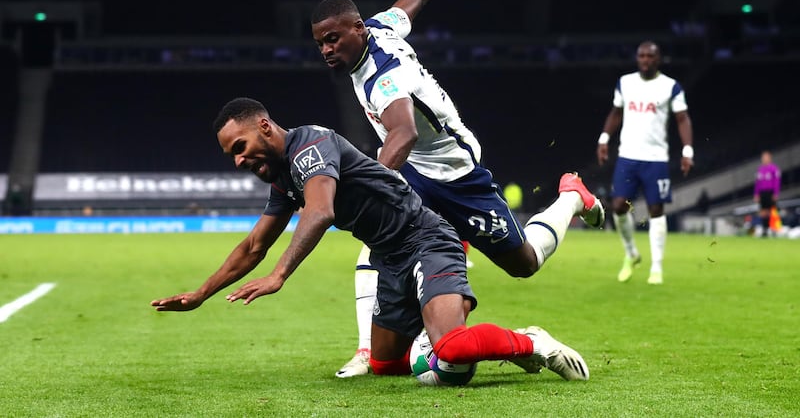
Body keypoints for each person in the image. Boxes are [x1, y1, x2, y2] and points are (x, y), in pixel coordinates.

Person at [309, 0, 605, 377]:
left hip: (454, 172)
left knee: (523, 263)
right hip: (416, 171)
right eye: (320, 43)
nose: (326, 50)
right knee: (377, 240)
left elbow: (402, 132)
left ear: (356, 28)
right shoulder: (381, 28)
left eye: (333, 38)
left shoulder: (385, 77)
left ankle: (571, 197)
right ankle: (372, 350)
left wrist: (370, 183)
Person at [150, 97, 590, 383]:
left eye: (240, 147)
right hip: (391, 258)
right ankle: (437, 341)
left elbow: (320, 211)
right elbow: (253, 246)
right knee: (385, 366)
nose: (239, 160)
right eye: (233, 156)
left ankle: (533, 343)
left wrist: (279, 275)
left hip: (427, 240)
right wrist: (200, 295)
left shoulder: (311, 146)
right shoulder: (284, 177)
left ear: (265, 126)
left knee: (453, 351)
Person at [596, 41, 694, 285]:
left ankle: (657, 267)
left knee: (656, 211)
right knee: (618, 206)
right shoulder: (625, 82)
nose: (645, 60)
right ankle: (631, 254)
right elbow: (616, 112)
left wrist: (687, 150)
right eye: (641, 56)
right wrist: (604, 138)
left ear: (658, 59)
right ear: (637, 58)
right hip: (628, 156)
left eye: (650, 56)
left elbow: (682, 119)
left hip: (656, 159)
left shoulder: (671, 87)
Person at [753, 150, 781, 237]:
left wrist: (776, 193)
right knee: (763, 211)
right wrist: (756, 194)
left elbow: (777, 182)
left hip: (770, 192)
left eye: (766, 157)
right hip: (762, 193)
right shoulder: (760, 169)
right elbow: (757, 183)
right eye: (763, 157)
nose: (764, 159)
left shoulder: (774, 169)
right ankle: (765, 230)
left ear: (770, 158)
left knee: (772, 211)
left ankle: (774, 230)